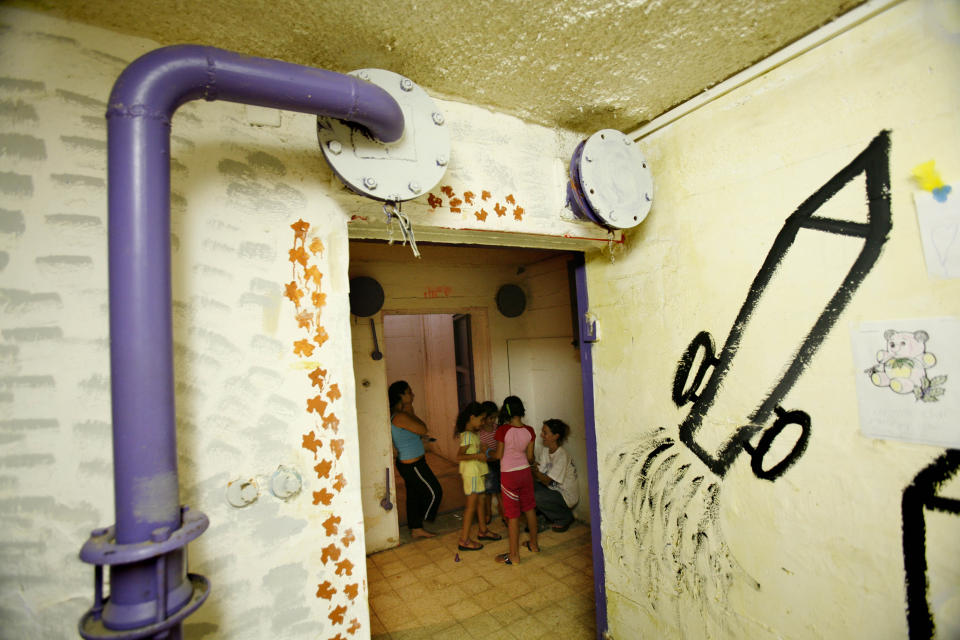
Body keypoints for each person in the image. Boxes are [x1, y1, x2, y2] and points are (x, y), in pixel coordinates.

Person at [388, 380, 442, 539]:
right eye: (409, 392)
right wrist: (410, 410)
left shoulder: (402, 414)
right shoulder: (400, 416)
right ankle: (426, 517)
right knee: (434, 492)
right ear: (400, 395)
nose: (413, 395)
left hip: (412, 462)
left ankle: (416, 528)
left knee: (414, 495)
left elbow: (417, 430)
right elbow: (423, 428)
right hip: (412, 464)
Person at [493, 395, 539, 565]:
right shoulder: (530, 431)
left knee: (512, 515)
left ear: (506, 411)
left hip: (509, 475)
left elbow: (498, 455)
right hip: (525, 472)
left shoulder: (502, 430)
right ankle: (534, 545)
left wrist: (487, 454)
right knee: (530, 508)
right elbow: (530, 457)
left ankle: (514, 555)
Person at [454, 402, 502, 551]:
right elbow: (459, 456)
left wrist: (481, 449)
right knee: (471, 506)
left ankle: (483, 530)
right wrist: (478, 454)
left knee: (481, 501)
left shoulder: (472, 434)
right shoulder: (467, 435)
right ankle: (464, 540)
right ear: (472, 417)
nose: (482, 423)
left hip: (478, 472)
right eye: (481, 419)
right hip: (472, 474)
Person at [533, 419, 579, 532]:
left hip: (564, 495)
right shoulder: (545, 451)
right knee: (525, 486)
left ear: (555, 436)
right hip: (552, 490)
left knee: (536, 496)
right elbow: (540, 474)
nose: (541, 435)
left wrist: (534, 470)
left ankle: (564, 518)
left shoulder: (562, 455)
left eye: (545, 433)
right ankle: (544, 516)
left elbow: (546, 480)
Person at [478, 401, 500, 526]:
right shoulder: (480, 433)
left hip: (498, 462)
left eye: (494, 418)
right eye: (490, 418)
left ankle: (504, 514)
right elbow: (482, 452)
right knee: (487, 492)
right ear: (484, 418)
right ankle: (488, 513)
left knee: (499, 491)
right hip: (487, 464)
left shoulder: (498, 429)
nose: (492, 420)